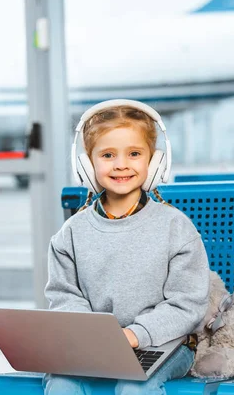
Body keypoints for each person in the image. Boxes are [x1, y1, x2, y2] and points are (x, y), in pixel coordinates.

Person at [43, 100, 210, 395]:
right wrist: (97, 337)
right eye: (108, 155)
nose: (121, 164)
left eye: (134, 153)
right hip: (96, 347)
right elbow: (64, 297)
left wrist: (136, 335)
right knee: (61, 385)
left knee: (133, 387)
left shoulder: (176, 227)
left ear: (155, 162)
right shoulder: (70, 234)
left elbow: (187, 304)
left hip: (164, 342)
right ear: (86, 165)